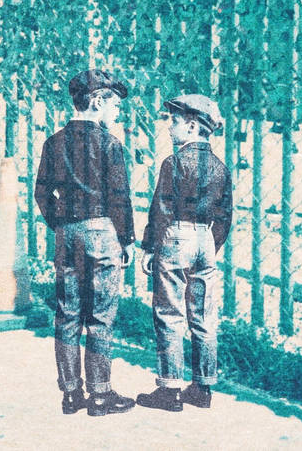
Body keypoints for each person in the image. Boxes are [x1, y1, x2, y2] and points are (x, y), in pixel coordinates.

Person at [35, 69, 136, 416]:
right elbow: (119, 198)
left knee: (67, 314)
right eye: (114, 105)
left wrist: (61, 224)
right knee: (100, 316)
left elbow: (42, 193)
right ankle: (101, 394)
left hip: (67, 234)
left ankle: (70, 393)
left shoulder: (53, 143)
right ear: (96, 102)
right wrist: (126, 239)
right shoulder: (110, 145)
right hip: (102, 232)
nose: (117, 112)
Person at [136, 94, 233, 412]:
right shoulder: (220, 168)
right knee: (203, 316)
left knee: (169, 313)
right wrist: (210, 245)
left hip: (176, 235)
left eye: (174, 121)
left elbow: (161, 208)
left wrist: (150, 247)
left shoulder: (174, 163)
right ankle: (203, 388)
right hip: (206, 239)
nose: (169, 127)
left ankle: (170, 389)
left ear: (192, 126)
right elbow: (225, 215)